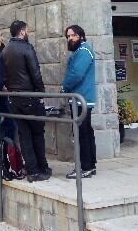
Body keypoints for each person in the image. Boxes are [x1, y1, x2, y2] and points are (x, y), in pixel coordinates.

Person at [1, 20, 50, 182]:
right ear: (22, 32)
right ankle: (42, 168)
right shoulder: (27, 48)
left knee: (24, 135)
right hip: (29, 96)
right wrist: (40, 92)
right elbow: (35, 73)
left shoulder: (5, 50)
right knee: (37, 133)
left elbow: (4, 76)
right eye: (26, 30)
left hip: (14, 98)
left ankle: (32, 170)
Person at [61, 24, 97, 179]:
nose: (70, 38)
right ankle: (90, 165)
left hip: (81, 99)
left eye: (73, 35)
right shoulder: (81, 51)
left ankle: (85, 167)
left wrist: (64, 86)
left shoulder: (83, 51)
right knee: (86, 132)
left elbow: (76, 73)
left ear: (81, 36)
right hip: (81, 99)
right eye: (68, 36)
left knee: (81, 134)